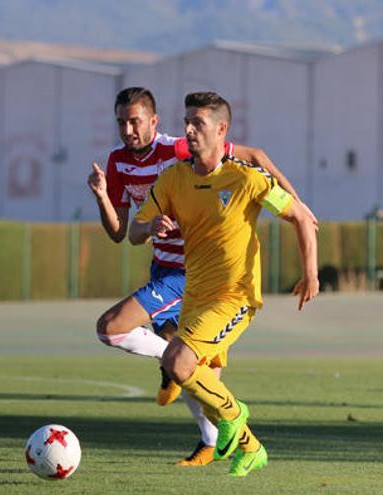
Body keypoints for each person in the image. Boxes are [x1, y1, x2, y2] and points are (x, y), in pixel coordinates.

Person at [87, 87, 315, 466]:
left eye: (135, 121)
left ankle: (211, 406)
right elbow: (125, 233)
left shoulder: (197, 155)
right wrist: (107, 200)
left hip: (209, 283)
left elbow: (258, 161)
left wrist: (300, 209)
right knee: (200, 375)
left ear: (154, 121)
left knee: (143, 344)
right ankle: (245, 447)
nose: (128, 129)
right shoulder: (134, 167)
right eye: (121, 123)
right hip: (178, 276)